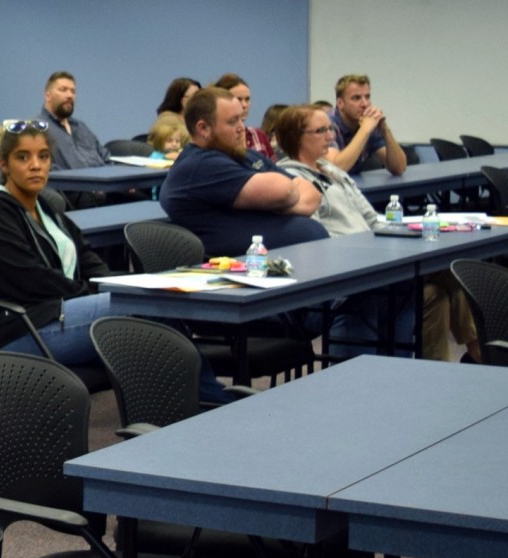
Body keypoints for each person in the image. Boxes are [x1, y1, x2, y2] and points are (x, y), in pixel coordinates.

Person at [0, 121, 229, 400]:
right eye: (23, 157)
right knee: (144, 308)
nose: (36, 165)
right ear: (4, 165)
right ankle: (210, 399)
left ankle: (186, 404)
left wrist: (120, 284)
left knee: (149, 301)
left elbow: (87, 257)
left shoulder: (46, 208)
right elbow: (29, 278)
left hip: (60, 315)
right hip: (22, 329)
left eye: (43, 156)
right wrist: (91, 293)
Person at [274, 105, 478, 362]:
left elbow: (372, 219)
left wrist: (405, 235)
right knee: (454, 267)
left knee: (433, 295)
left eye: (329, 129)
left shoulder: (333, 171)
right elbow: (315, 237)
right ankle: (479, 351)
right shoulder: (290, 179)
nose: (330, 136)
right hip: (343, 271)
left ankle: (434, 375)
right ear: (297, 136)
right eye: (321, 130)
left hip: (374, 256)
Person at [159, 88, 326, 257]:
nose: (242, 128)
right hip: (239, 271)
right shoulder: (199, 165)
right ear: (203, 128)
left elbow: (312, 194)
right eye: (232, 122)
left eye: (241, 119)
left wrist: (279, 206)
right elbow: (284, 190)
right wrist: (280, 202)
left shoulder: (246, 155)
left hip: (286, 261)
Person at [329, 74, 408, 175]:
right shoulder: (328, 125)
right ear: (340, 103)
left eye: (367, 97)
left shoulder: (367, 123)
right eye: (356, 98)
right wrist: (365, 130)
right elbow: (336, 170)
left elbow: (399, 168)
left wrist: (384, 129)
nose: (365, 104)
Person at [37, 71, 110, 170]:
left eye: (73, 91)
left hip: (104, 182)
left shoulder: (81, 127)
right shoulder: (38, 129)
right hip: (72, 184)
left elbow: (106, 158)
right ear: (47, 96)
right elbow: (47, 172)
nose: (70, 95)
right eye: (63, 90)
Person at [212, 74, 275, 162]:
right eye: (239, 99)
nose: (244, 105)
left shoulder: (258, 135)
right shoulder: (214, 141)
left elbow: (274, 166)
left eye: (247, 99)